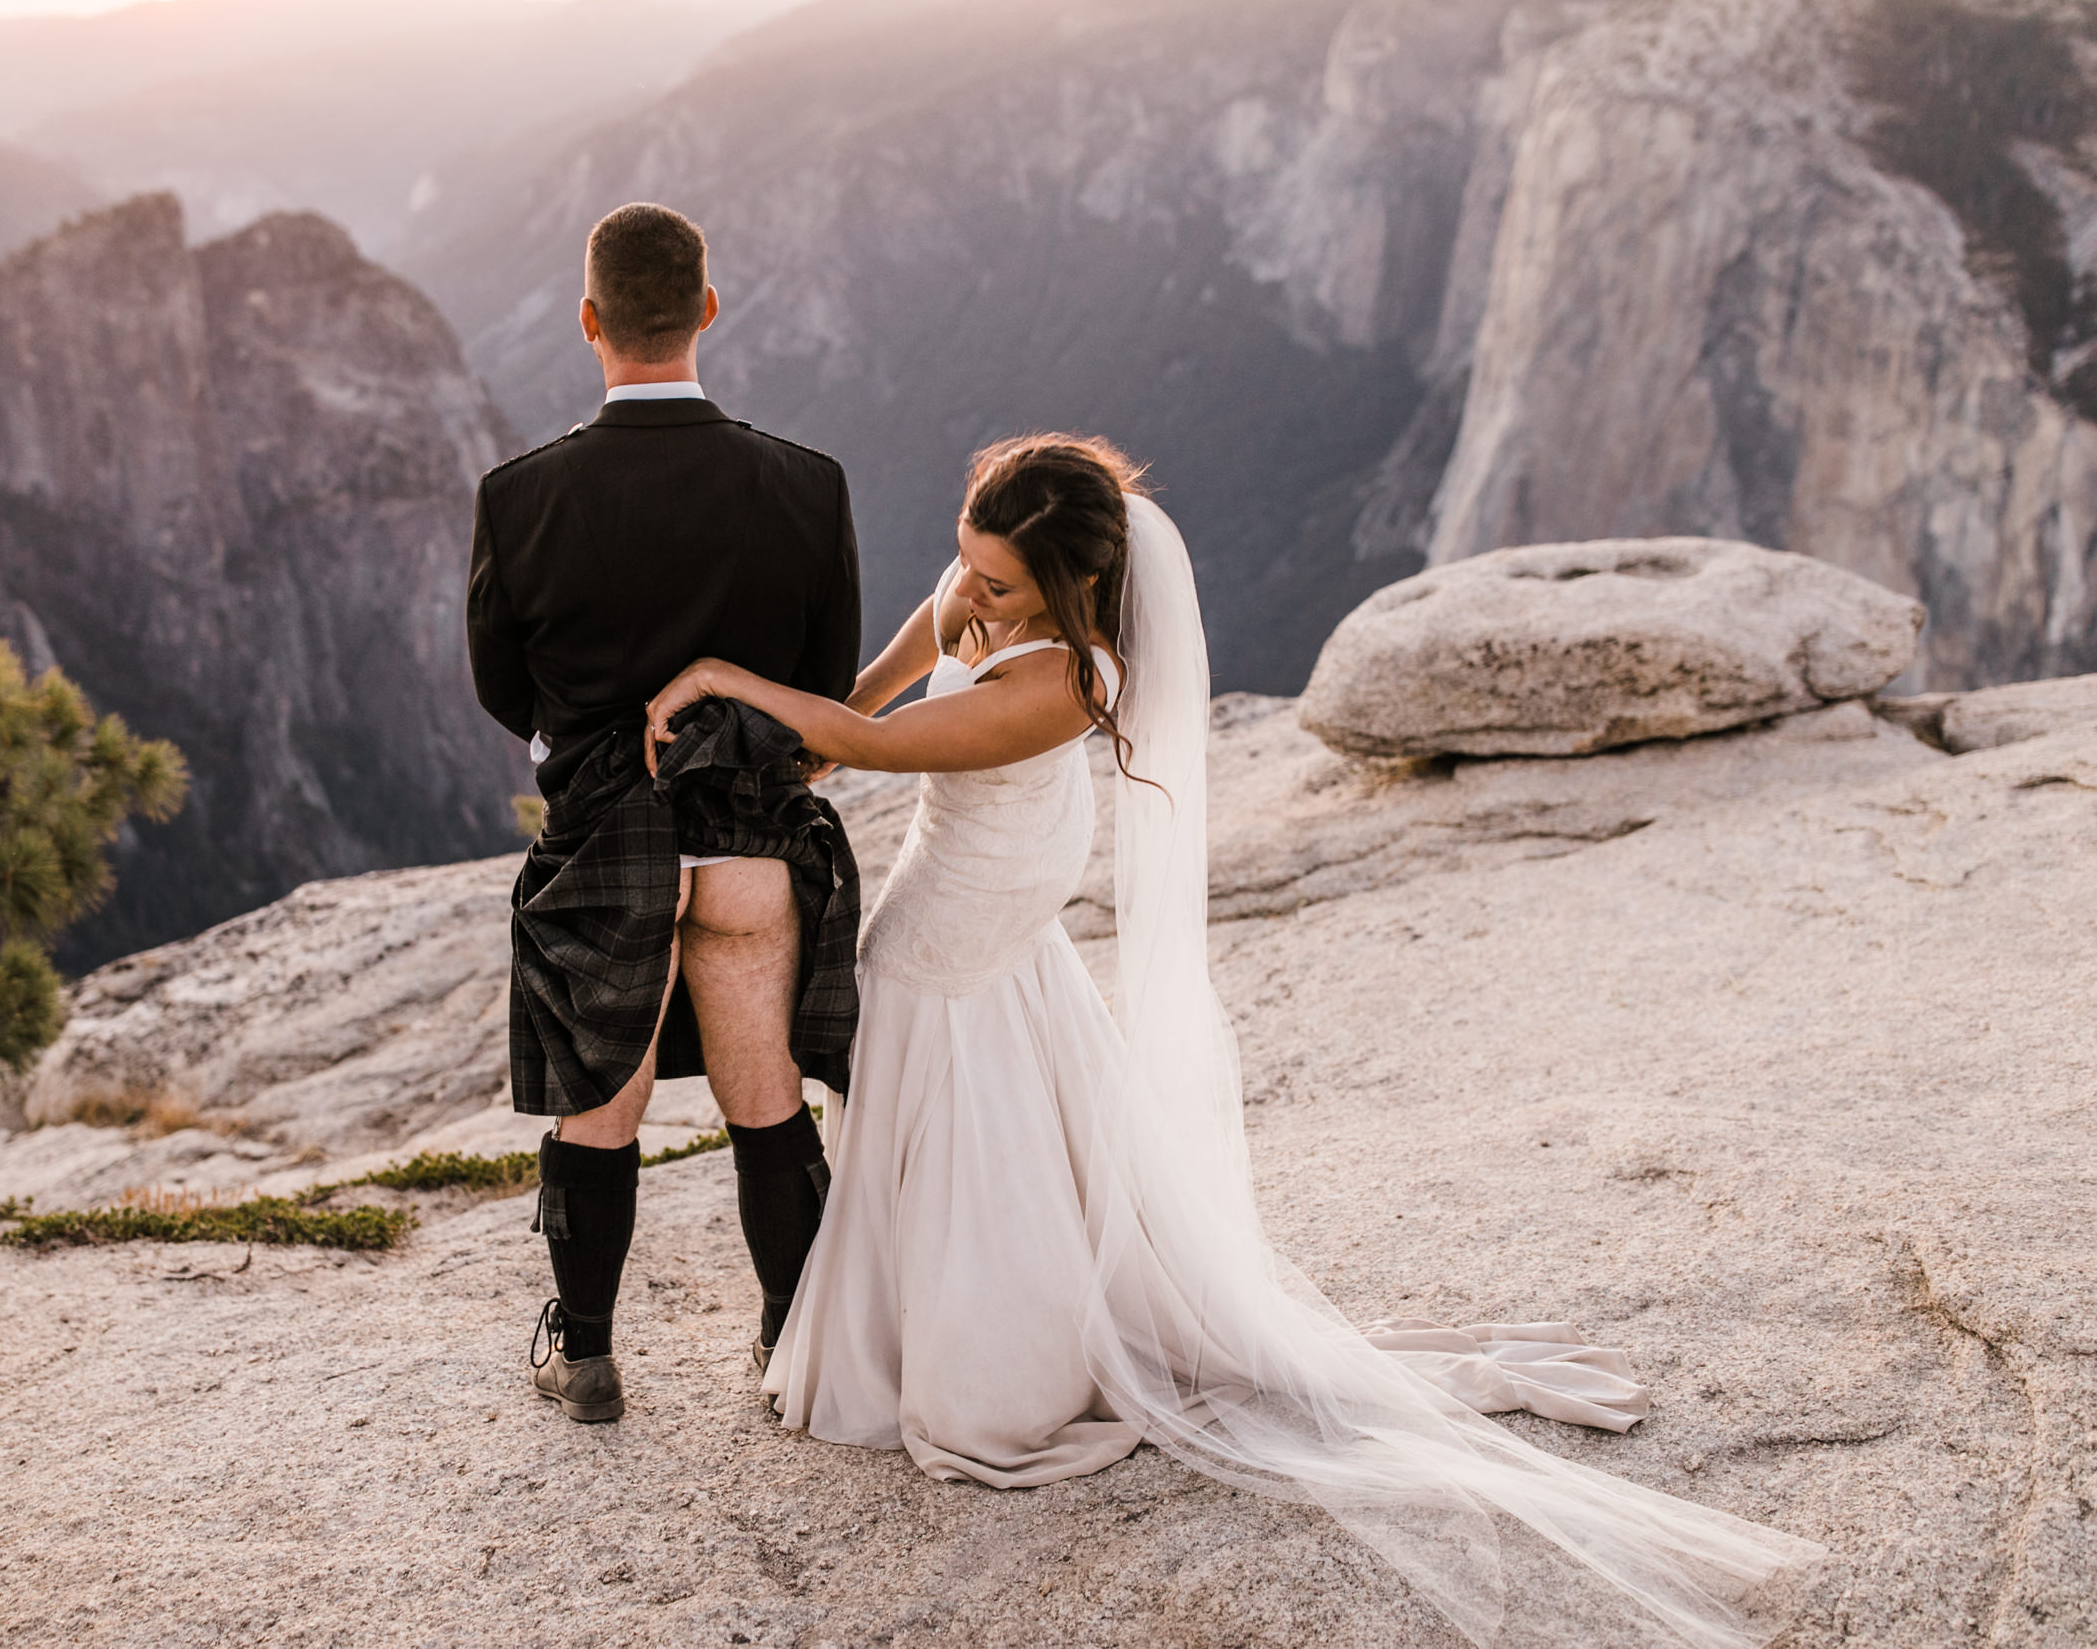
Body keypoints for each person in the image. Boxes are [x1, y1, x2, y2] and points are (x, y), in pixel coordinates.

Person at [643, 434, 1824, 1648]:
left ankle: (1000, 1354)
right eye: (964, 560)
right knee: (976, 1110)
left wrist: (730, 677)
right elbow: (859, 712)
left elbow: (888, 747)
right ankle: (929, 1318)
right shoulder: (975, 592)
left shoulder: (1074, 678)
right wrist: (779, 735)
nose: (967, 592)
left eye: (997, 583)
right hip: (952, 905)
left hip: (981, 914)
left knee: (979, 1115)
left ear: (1068, 583)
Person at [467, 202, 862, 1425]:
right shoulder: (806, 482)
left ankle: (585, 1354)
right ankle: (793, 1345)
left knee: (600, 1107)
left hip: (603, 843)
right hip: (746, 837)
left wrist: (587, 742)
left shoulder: (517, 495)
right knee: (766, 1105)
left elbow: (498, 685)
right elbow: (826, 681)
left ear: (589, 321)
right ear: (707, 308)